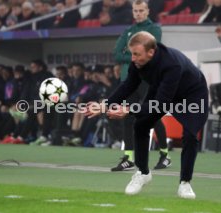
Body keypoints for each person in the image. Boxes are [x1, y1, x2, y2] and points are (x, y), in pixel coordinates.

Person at [84, 31, 209, 198]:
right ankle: (143, 173)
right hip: (162, 89)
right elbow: (128, 85)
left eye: (136, 54)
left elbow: (160, 104)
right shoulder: (137, 62)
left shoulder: (172, 65)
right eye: (131, 54)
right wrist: (104, 105)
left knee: (191, 135)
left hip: (192, 94)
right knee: (141, 125)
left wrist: (128, 109)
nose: (133, 59)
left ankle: (185, 183)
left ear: (151, 52)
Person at [112, 0, 171, 172]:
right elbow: (117, 54)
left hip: (147, 80)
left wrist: (130, 55)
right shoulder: (128, 30)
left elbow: (151, 54)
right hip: (129, 81)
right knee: (127, 117)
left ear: (147, 11)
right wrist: (137, 56)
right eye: (135, 10)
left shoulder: (154, 29)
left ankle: (165, 155)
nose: (138, 13)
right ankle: (129, 158)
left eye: (141, 10)